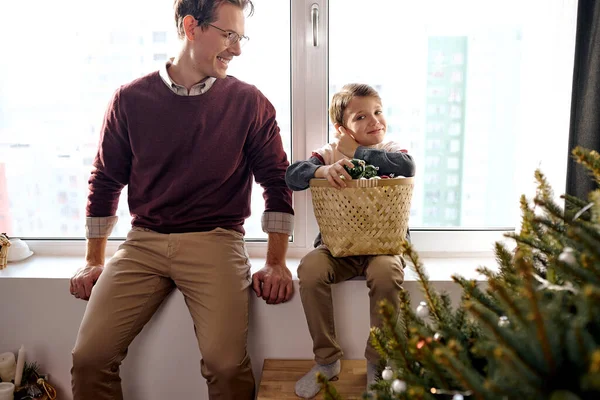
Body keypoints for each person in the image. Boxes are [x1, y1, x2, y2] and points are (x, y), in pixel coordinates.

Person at [68, 1, 295, 399]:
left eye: (240, 37)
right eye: (228, 35)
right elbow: (105, 181)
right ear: (191, 27)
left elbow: (277, 182)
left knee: (226, 366)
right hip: (143, 243)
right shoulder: (130, 99)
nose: (237, 49)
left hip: (217, 241)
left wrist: (275, 262)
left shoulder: (249, 103)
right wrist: (93, 259)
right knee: (89, 359)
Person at [285, 83, 415, 398]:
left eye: (378, 112)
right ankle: (327, 361)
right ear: (342, 128)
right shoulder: (328, 153)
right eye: (361, 117)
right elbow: (292, 175)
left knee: (387, 275)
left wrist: (357, 152)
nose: (375, 122)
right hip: (337, 247)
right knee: (311, 270)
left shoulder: (393, 150)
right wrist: (323, 170)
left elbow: (406, 167)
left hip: (384, 247)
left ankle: (378, 363)